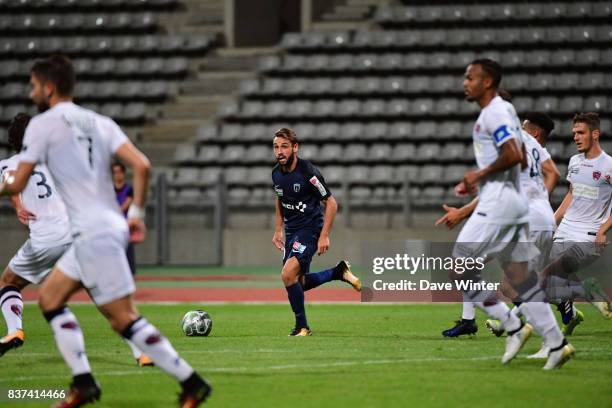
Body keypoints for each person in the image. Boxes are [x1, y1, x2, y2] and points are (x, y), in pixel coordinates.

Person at [0, 55, 211, 407]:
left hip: (87, 231)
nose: (31, 90)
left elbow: (18, 180)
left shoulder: (40, 126)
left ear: (48, 87)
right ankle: (85, 383)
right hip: (107, 226)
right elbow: (141, 165)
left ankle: (192, 381)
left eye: (33, 84)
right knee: (55, 300)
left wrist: (4, 184)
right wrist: (138, 214)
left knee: (121, 317)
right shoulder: (99, 122)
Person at [436, 59, 572, 369]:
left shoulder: (495, 112)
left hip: (499, 203)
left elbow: (514, 155)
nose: (464, 82)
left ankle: (511, 325)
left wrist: (479, 175)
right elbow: (524, 160)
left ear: (487, 82)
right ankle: (556, 343)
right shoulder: (505, 111)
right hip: (516, 202)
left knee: (459, 269)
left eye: (470, 77)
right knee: (520, 278)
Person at [439, 111, 560, 338]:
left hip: (523, 219)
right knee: (513, 282)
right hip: (542, 217)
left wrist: (463, 211)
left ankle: (517, 324)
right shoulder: (536, 150)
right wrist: (541, 200)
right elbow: (554, 173)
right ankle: (550, 334)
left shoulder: (515, 144)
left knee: (469, 266)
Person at [271, 128, 361, 336]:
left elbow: (331, 202)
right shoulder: (276, 173)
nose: (279, 151)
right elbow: (279, 199)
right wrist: (278, 229)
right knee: (296, 282)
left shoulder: (308, 172)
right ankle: (337, 272)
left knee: (287, 274)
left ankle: (302, 327)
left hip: (310, 229)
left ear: (295, 147)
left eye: (284, 146)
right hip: (292, 231)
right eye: (276, 147)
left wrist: (324, 235)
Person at [542, 112, 612, 335]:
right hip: (565, 230)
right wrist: (553, 219)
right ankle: (572, 315)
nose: (576, 137)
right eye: (574, 133)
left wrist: (603, 229)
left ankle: (587, 290)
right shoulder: (574, 162)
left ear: (595, 134)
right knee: (548, 287)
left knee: (545, 278)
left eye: (580, 133)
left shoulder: (609, 165)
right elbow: (572, 194)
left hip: (588, 234)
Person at [112, 161, 136, 275]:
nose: (118, 175)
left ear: (123, 173)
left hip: (124, 225)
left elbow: (125, 205)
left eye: (119, 172)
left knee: (127, 253)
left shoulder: (129, 189)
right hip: (111, 225)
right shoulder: (109, 189)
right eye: (115, 173)